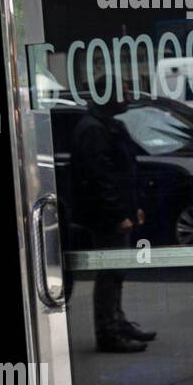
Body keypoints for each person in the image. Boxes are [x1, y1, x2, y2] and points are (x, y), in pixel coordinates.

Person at [68, 72, 155, 353]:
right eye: (124, 91)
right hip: (106, 215)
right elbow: (99, 178)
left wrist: (134, 206)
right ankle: (108, 332)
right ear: (107, 96)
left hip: (117, 210)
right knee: (110, 272)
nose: (129, 96)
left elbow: (124, 170)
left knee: (117, 271)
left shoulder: (110, 126)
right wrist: (119, 213)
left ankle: (118, 322)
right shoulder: (93, 129)